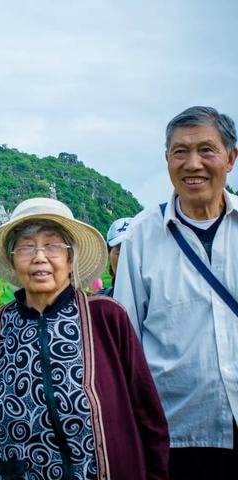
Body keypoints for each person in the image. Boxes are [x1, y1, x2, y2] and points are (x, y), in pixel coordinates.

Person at [0, 197, 169, 480]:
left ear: (71, 259)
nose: (39, 256)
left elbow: (149, 415)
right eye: (25, 246)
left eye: (52, 245)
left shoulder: (107, 317)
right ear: (12, 261)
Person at [114, 106, 238, 479]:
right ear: (167, 159)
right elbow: (126, 342)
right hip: (176, 433)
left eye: (206, 150)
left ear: (231, 158)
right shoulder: (139, 238)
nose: (193, 163)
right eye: (180, 152)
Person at [96, 217, 133, 297]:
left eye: (134, 252)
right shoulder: (99, 303)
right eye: (120, 253)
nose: (127, 259)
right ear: (109, 253)